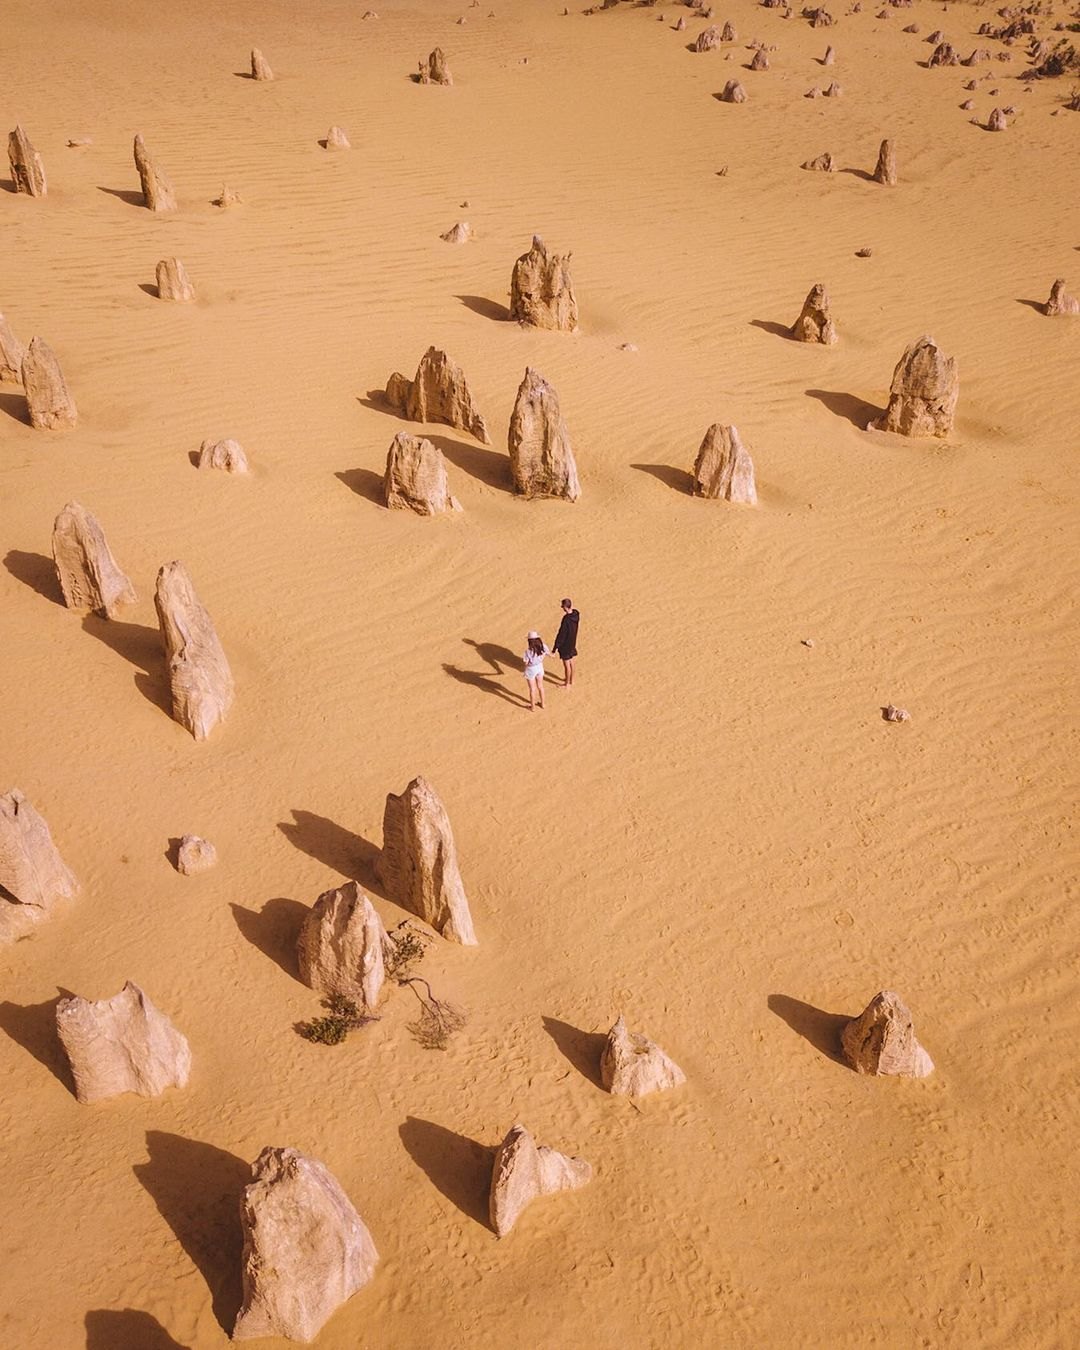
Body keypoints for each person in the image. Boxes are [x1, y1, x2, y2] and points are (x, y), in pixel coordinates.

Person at [552, 598, 579, 687]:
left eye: (563, 606)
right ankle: (572, 680)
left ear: (565, 607)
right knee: (572, 662)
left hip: (566, 645)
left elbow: (561, 634)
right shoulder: (576, 614)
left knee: (567, 664)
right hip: (572, 642)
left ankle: (567, 683)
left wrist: (555, 647)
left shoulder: (566, 619)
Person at [521, 630, 549, 711]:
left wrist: (525, 670)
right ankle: (543, 704)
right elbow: (548, 653)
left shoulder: (528, 652)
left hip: (531, 669)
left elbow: (526, 662)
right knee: (540, 686)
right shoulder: (543, 646)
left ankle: (533, 707)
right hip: (540, 667)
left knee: (532, 689)